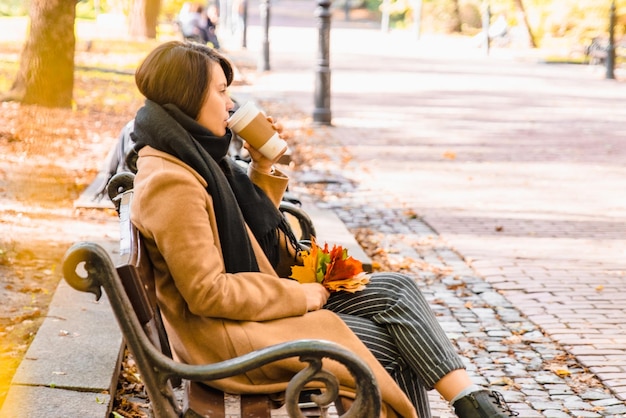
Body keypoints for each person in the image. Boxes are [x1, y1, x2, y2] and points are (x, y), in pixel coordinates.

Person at [129, 40, 518, 418]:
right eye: (221, 91)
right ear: (187, 96)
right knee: (394, 346)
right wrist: (303, 294)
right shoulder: (172, 181)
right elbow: (209, 293)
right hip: (230, 343)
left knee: (396, 290)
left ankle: (473, 401)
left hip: (247, 318)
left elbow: (249, 234)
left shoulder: (192, 156)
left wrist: (265, 164)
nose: (230, 104)